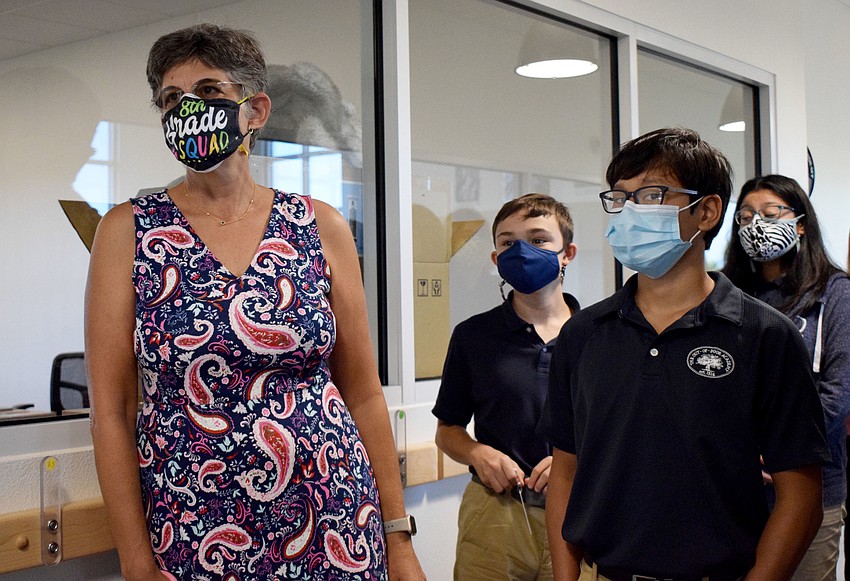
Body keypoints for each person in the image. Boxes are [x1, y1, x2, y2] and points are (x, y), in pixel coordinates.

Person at [85, 24, 424, 581]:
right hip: (195, 526)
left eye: (209, 92)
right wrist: (136, 563)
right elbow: (112, 414)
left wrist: (399, 541)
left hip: (337, 517)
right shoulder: (129, 231)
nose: (189, 110)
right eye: (172, 99)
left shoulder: (320, 226)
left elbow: (363, 393)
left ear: (255, 110)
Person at [540, 127, 830, 581]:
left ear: (706, 211)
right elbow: (566, 472)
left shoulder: (765, 335)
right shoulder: (583, 334)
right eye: (620, 198)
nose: (630, 212)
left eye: (651, 195)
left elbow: (801, 493)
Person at [432, 193, 579, 580]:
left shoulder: (597, 336)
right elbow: (447, 431)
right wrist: (477, 452)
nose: (523, 252)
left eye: (538, 239)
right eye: (509, 243)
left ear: (567, 253)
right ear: (497, 259)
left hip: (580, 509)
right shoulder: (473, 336)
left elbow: (622, 429)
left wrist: (574, 461)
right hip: (496, 514)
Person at [722, 174, 850, 581]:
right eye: (745, 216)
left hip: (811, 485)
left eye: (770, 213)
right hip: (734, 490)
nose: (756, 224)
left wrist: (775, 451)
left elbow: (838, 392)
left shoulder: (834, 292)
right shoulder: (727, 293)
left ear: (800, 224)